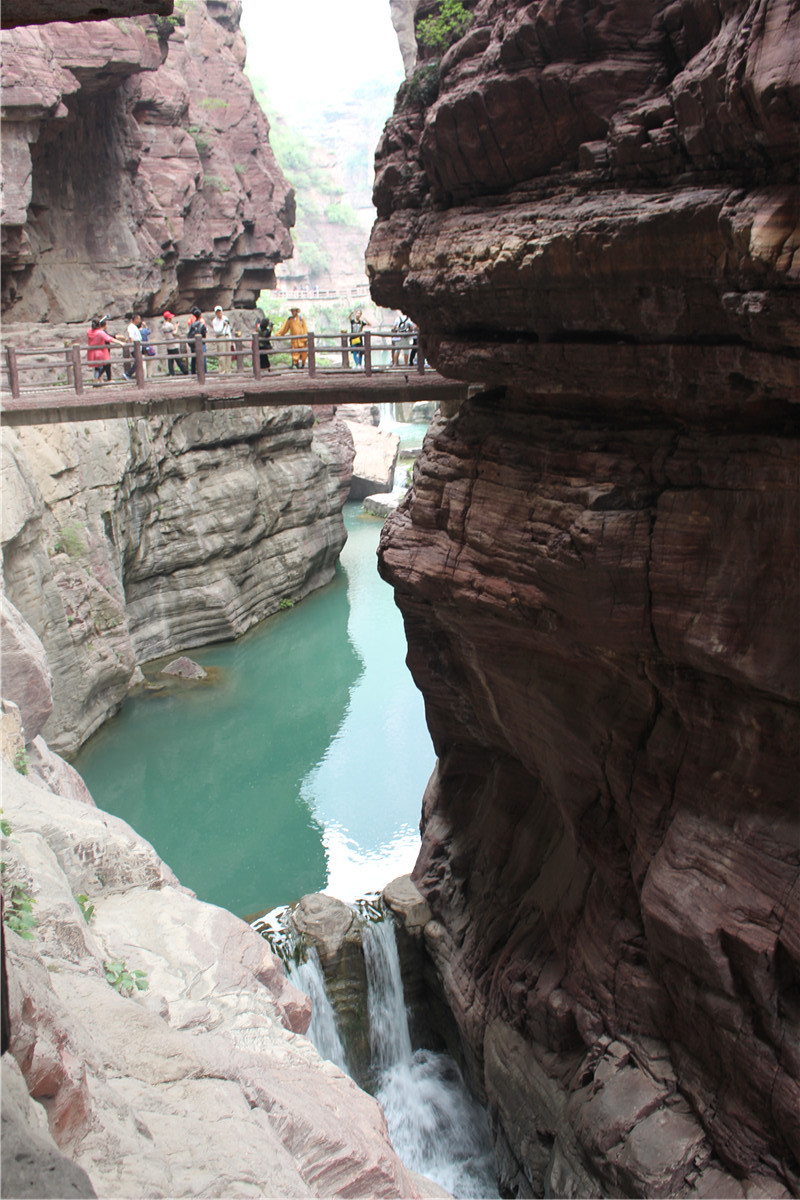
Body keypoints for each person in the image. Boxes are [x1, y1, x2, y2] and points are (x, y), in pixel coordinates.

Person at [86, 315, 124, 385]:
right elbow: (109, 338)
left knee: (97, 367)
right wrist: (120, 342)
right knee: (103, 365)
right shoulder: (100, 333)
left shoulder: (89, 331)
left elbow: (91, 329)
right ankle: (96, 380)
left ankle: (96, 380)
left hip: (92, 352)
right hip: (100, 352)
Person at [162, 311, 188, 376]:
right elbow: (174, 333)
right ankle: (185, 371)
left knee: (170, 360)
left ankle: (172, 373)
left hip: (168, 345)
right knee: (178, 359)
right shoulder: (170, 325)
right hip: (173, 345)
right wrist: (176, 327)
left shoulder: (163, 325)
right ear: (168, 318)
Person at [211, 304, 233, 374]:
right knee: (221, 355)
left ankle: (228, 371)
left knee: (228, 354)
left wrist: (231, 339)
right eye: (217, 312)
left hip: (227, 336)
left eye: (220, 311)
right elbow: (217, 331)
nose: (219, 313)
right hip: (220, 337)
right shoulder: (215, 321)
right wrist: (222, 326)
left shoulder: (225, 318)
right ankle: (222, 371)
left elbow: (228, 329)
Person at [187, 306, 207, 374]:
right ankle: (204, 372)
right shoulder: (201, 323)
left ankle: (193, 372)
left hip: (193, 343)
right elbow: (204, 334)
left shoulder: (191, 323)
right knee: (203, 357)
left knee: (194, 358)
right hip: (201, 343)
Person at [124, 313, 143, 379]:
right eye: (139, 319)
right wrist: (133, 346)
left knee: (138, 362)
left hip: (137, 347)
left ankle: (133, 375)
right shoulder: (131, 327)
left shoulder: (134, 326)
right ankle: (128, 374)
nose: (139, 320)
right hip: (135, 348)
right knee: (138, 362)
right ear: (135, 319)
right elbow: (131, 337)